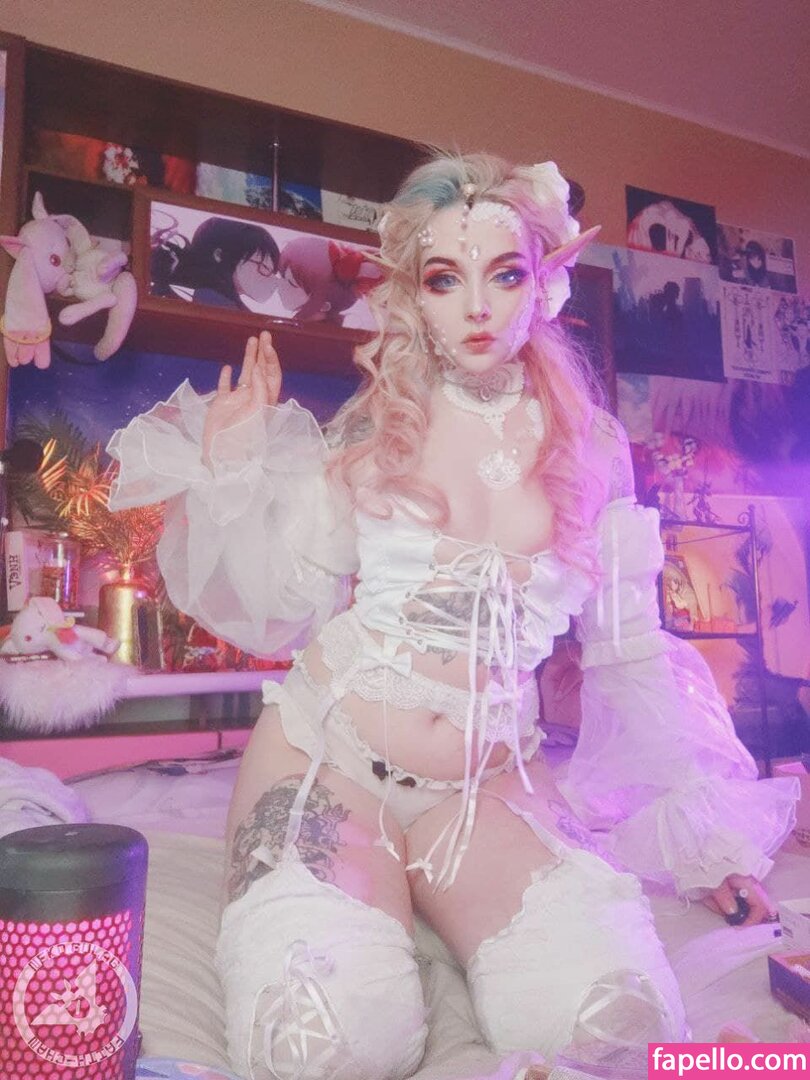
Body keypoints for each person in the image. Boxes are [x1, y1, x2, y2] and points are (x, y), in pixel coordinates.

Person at [109, 153, 798, 1080]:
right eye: (444, 278)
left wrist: (706, 845)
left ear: (544, 284)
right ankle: (385, 915)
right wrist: (233, 468)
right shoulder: (376, 427)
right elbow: (277, 601)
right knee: (322, 1047)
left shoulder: (594, 448)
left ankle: (429, 916)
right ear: (414, 295)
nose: (477, 306)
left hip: (488, 789)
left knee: (615, 1024)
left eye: (504, 273)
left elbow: (631, 652)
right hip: (330, 762)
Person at [151, 215, 281, 310]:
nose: (274, 282)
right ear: (219, 255)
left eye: (272, 272)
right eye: (264, 268)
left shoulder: (222, 302)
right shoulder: (213, 301)